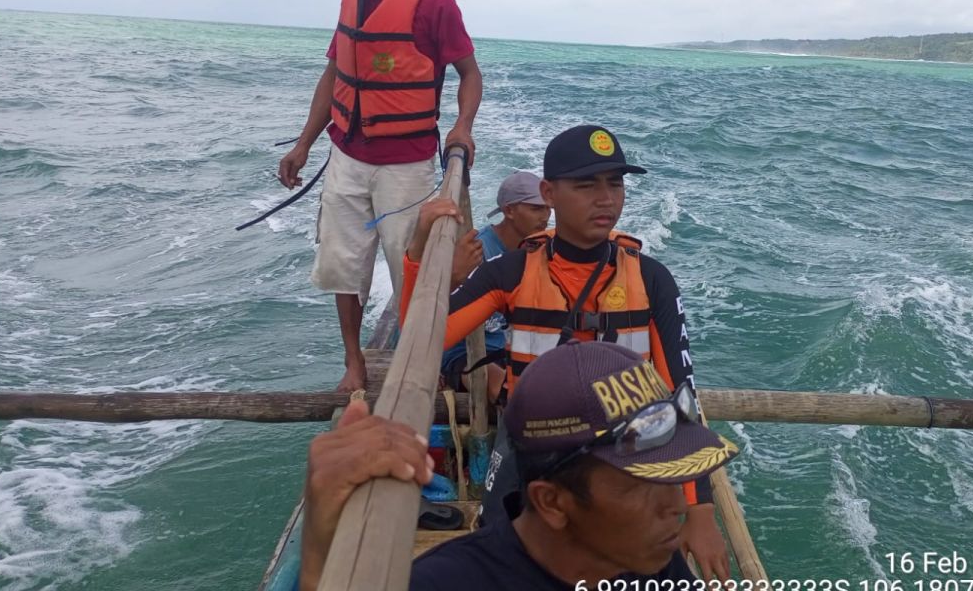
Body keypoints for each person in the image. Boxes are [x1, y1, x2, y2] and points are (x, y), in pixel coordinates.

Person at [399, 125, 732, 579]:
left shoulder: (653, 280)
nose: (605, 198)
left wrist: (699, 509)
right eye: (586, 185)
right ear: (549, 193)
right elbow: (420, 339)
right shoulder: (512, 270)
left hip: (628, 457)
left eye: (615, 183)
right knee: (506, 551)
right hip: (532, 448)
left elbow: (681, 395)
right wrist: (421, 258)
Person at [299, 341, 739, 591]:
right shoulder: (446, 585)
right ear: (551, 502)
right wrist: (320, 555)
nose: (675, 506)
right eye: (641, 484)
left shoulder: (650, 564)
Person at [277, 0, 483, 393]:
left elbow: (470, 73)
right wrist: (303, 143)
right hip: (346, 155)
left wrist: (462, 128)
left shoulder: (435, 2)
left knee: (409, 265)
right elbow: (334, 75)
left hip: (405, 165)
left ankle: (422, 364)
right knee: (342, 263)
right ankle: (354, 364)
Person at [430, 171, 551, 400]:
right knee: (506, 389)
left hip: (507, 347)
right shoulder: (476, 253)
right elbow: (430, 307)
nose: (545, 217)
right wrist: (428, 367)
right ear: (509, 211)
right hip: (464, 353)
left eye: (547, 208)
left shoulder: (539, 250)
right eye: (536, 209)